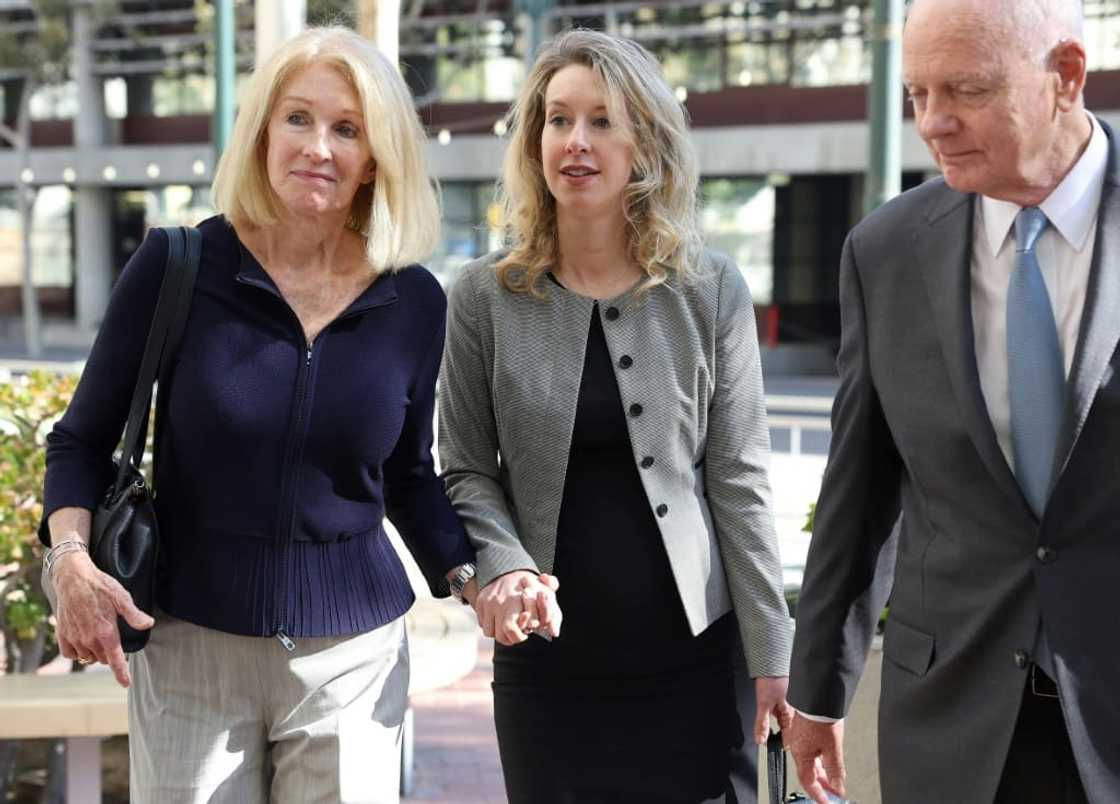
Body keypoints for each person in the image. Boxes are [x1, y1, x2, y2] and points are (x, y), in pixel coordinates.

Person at [39, 27, 476, 803]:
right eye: (298, 119)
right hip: (190, 649)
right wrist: (68, 560)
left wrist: (477, 575)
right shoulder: (179, 266)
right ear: (263, 131)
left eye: (347, 129)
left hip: (352, 659)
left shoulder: (414, 301)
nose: (319, 146)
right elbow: (81, 440)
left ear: (376, 158)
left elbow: (407, 474)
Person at [438, 29, 793, 804]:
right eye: (558, 119)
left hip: (695, 665)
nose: (577, 141)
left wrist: (775, 657)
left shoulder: (710, 290)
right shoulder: (483, 297)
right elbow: (465, 467)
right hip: (547, 671)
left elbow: (739, 480)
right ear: (534, 142)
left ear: (646, 141)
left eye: (603, 120)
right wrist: (506, 566)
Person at [785, 1, 1119, 802]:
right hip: (951, 721)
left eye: (964, 90)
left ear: (1065, 77)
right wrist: (817, 686)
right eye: (916, 95)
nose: (933, 123)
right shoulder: (885, 250)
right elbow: (858, 488)